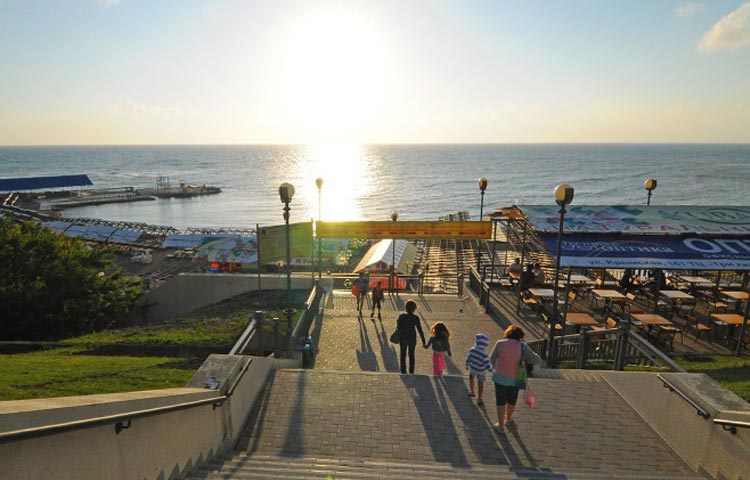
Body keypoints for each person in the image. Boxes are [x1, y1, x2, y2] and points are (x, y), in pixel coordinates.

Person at [489, 325, 543, 430]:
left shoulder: (500, 344)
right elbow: (536, 360)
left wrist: (497, 368)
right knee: (512, 400)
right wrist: (525, 360)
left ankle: (500, 425)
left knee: (500, 402)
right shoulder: (522, 346)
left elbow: (491, 360)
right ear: (520, 336)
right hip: (516, 379)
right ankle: (508, 418)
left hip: (500, 378)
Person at [397, 300, 426, 374]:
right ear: (414, 308)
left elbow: (398, 327)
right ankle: (411, 371)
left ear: (406, 307)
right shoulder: (415, 318)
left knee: (403, 354)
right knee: (411, 355)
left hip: (403, 337)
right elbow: (419, 329)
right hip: (412, 338)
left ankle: (403, 371)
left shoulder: (401, 316)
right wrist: (423, 341)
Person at [465, 333, 493, 406]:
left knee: (471, 378)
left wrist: (467, 364)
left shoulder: (472, 349)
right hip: (481, 371)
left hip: (472, 368)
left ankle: (472, 392)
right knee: (480, 384)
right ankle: (479, 399)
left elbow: (468, 357)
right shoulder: (484, 354)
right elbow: (487, 364)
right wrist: (492, 371)